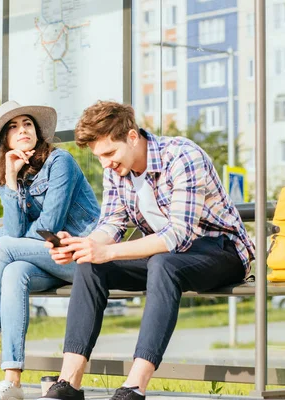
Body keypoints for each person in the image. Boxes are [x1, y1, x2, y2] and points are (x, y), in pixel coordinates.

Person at [39, 101, 255, 400]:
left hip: (221, 250)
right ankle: (69, 382)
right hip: (163, 259)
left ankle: (134, 386)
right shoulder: (116, 170)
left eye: (109, 154)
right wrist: (82, 247)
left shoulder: (182, 155)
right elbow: (112, 225)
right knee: (90, 265)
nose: (105, 164)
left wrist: (108, 252)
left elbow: (178, 235)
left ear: (131, 136)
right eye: (99, 156)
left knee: (163, 264)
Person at [0, 101, 100, 400]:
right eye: (12, 127)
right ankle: (12, 380)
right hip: (50, 259)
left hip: (83, 257)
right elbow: (17, 235)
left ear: (37, 131)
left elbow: (47, 226)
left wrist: (1, 233)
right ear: (5, 141)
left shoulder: (60, 162)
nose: (22, 129)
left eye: (27, 123)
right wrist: (12, 180)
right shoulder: (11, 177)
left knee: (3, 248)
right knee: (14, 272)